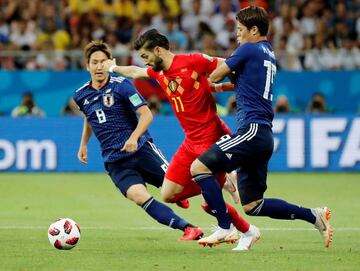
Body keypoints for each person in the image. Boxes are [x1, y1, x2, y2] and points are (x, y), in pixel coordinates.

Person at [190, 6, 333, 251]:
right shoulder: (268, 53)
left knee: (198, 167)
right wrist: (222, 85)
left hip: (252, 130)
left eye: (240, 29)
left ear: (254, 30)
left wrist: (196, 73)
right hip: (263, 134)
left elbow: (215, 75)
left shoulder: (248, 48)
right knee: (252, 205)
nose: (237, 35)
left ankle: (225, 227)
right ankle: (314, 216)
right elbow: (242, 84)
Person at [102, 29, 259, 250]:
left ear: (158, 50)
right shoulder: (159, 73)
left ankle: (232, 226)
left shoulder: (193, 61)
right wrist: (112, 67)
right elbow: (136, 72)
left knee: (208, 198)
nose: (144, 61)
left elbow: (229, 64)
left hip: (211, 136)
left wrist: (233, 85)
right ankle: (224, 186)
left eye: (146, 56)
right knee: (168, 194)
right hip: (190, 141)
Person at [73, 40, 203, 241]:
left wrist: (134, 138)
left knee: (179, 188)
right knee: (140, 197)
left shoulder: (122, 86)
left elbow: (146, 115)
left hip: (142, 150)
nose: (99, 66)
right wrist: (83, 144)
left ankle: (219, 189)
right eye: (95, 62)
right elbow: (90, 118)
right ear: (87, 66)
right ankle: (188, 228)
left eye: (103, 61)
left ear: (110, 63)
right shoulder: (81, 95)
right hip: (115, 161)